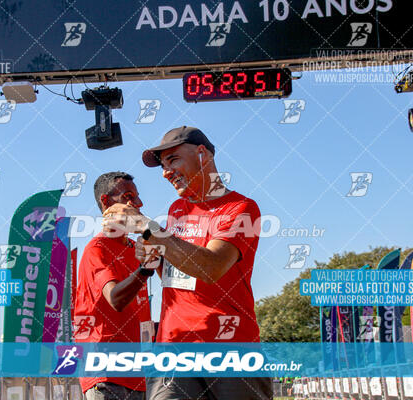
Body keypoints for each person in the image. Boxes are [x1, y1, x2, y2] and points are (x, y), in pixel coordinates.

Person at [103, 126, 272, 399]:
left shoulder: (241, 207)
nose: (165, 172)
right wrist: (153, 261)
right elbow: (176, 278)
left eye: (173, 160)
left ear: (202, 154)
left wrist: (148, 227)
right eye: (162, 165)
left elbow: (212, 267)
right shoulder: (176, 210)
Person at [73, 171, 154, 400]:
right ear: (106, 202)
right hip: (106, 374)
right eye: (128, 197)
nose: (137, 204)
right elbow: (116, 299)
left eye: (138, 198)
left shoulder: (134, 247)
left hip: (138, 373)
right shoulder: (96, 249)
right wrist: (146, 269)